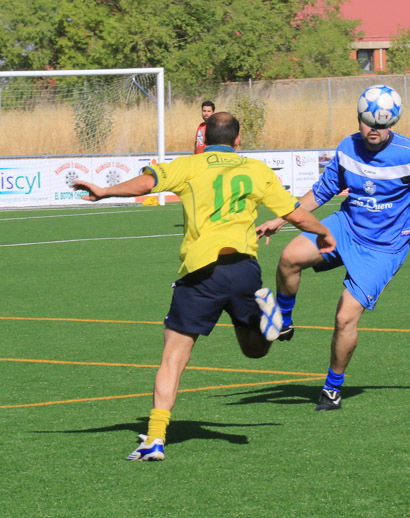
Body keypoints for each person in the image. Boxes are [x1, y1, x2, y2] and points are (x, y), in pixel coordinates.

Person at [72, 112, 336, 461]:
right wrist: (323, 232)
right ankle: (270, 323)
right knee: (254, 351)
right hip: (244, 270)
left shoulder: (188, 166)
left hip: (201, 272)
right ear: (238, 140)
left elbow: (146, 184)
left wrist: (105, 191)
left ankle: (155, 438)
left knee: (173, 356)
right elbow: (294, 213)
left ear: (203, 138)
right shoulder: (257, 170)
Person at [256, 85, 410, 412]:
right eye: (369, 122)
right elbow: (322, 191)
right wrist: (281, 219)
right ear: (359, 119)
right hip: (346, 227)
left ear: (392, 123)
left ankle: (332, 388)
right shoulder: (347, 148)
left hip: (383, 248)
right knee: (289, 257)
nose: (374, 130)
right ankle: (284, 320)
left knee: (345, 317)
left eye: (382, 125)